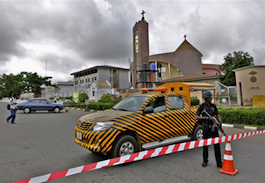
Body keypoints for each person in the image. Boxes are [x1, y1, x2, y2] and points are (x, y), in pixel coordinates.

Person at [195, 91, 224, 168]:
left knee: (217, 146)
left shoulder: (213, 106)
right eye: (209, 97)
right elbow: (196, 117)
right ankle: (205, 161)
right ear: (206, 98)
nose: (211, 98)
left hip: (214, 128)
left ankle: (219, 162)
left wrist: (220, 121)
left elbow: (218, 115)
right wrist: (206, 118)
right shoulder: (202, 107)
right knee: (205, 146)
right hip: (206, 128)